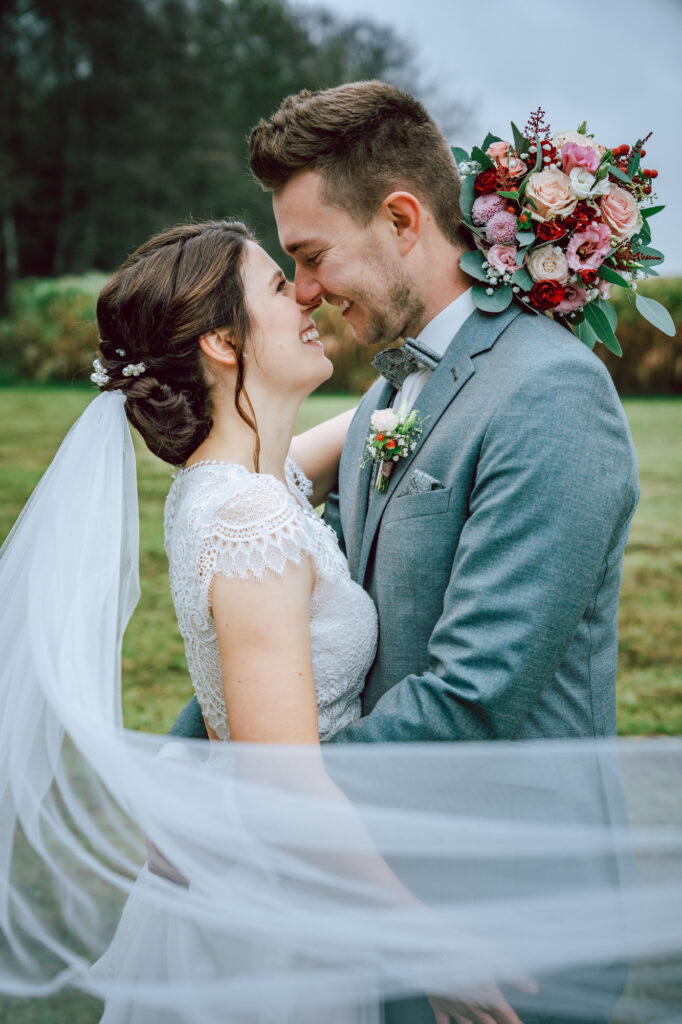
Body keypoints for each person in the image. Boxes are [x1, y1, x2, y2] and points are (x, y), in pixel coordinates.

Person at [169, 82, 640, 1023]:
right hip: (375, 879)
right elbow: (278, 611)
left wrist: (268, 801)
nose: (303, 290)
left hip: (513, 904)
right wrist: (190, 766)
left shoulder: (548, 395)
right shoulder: (392, 393)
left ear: (400, 218)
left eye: (310, 257)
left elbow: (476, 689)